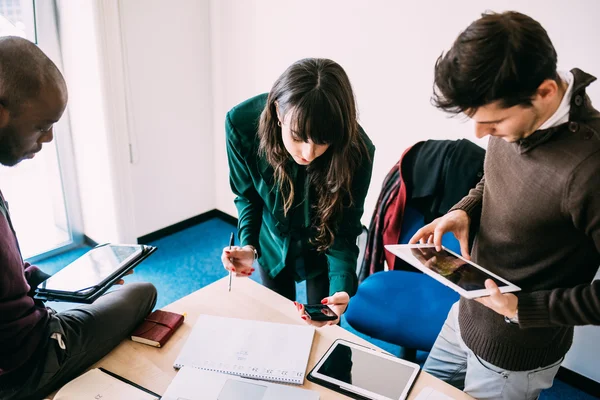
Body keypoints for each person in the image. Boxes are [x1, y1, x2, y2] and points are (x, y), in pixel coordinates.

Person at [409, 11, 600, 400]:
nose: (480, 133)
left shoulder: (590, 169)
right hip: (466, 313)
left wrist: (521, 309)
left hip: (515, 355)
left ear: (545, 92)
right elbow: (492, 179)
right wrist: (464, 210)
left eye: (493, 124)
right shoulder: (516, 118)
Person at [0, 36, 157, 400]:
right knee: (142, 291)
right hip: (27, 362)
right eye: (42, 126)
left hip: (24, 331)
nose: (50, 137)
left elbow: (13, 274)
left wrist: (64, 284)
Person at [222, 58, 375, 326]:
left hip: (324, 247)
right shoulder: (240, 124)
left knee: (326, 332)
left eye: (322, 141)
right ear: (278, 113)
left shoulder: (357, 149)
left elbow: (345, 228)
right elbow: (248, 196)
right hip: (271, 242)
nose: (308, 153)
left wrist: (341, 288)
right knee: (277, 327)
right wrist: (248, 245)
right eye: (297, 137)